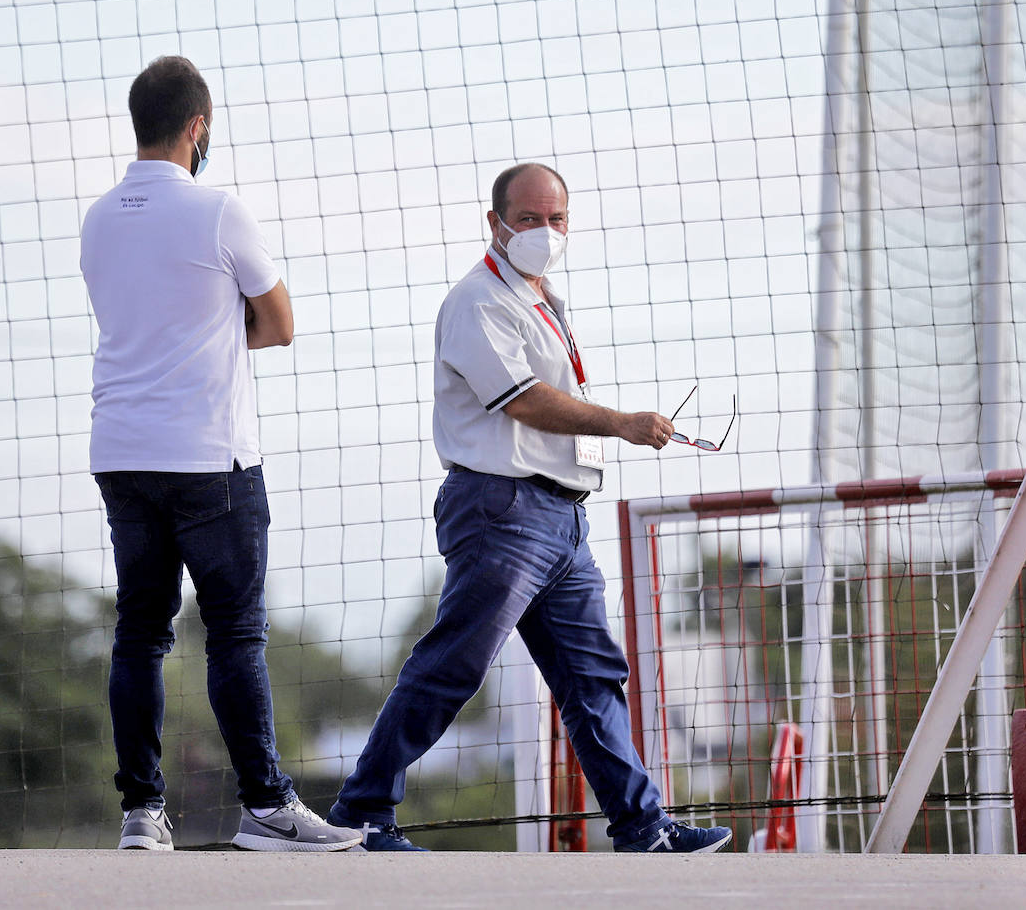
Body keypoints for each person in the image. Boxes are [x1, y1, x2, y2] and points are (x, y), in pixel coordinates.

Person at [327, 162, 733, 854]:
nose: (544, 232)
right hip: (502, 509)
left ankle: (642, 826)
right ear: (495, 223)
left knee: (593, 675)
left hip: (561, 518)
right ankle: (360, 814)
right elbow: (523, 400)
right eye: (528, 218)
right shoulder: (477, 302)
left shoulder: (543, 300)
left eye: (556, 219)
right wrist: (622, 423)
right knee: (455, 663)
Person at [80, 55, 359, 853]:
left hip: (122, 452)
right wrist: (211, 329)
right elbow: (278, 324)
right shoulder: (218, 211)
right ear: (198, 127)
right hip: (209, 456)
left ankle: (141, 814)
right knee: (234, 634)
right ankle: (267, 807)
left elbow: (136, 319)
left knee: (140, 633)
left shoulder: (98, 218)